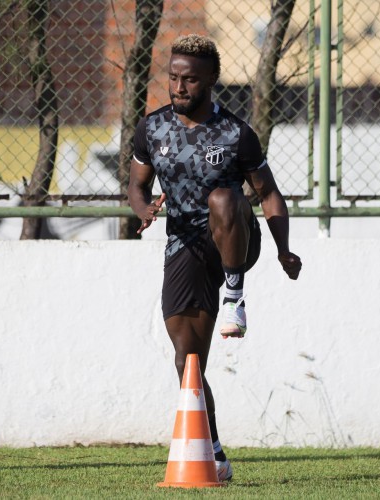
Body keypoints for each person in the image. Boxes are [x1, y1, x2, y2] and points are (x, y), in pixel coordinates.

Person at [128, 34, 301, 481]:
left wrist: (284, 249)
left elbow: (268, 194)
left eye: (189, 80)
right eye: (173, 77)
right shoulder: (152, 128)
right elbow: (136, 185)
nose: (178, 87)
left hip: (234, 237)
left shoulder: (237, 133)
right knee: (187, 361)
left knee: (225, 198)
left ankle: (235, 297)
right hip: (182, 243)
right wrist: (143, 208)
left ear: (210, 81)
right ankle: (216, 451)